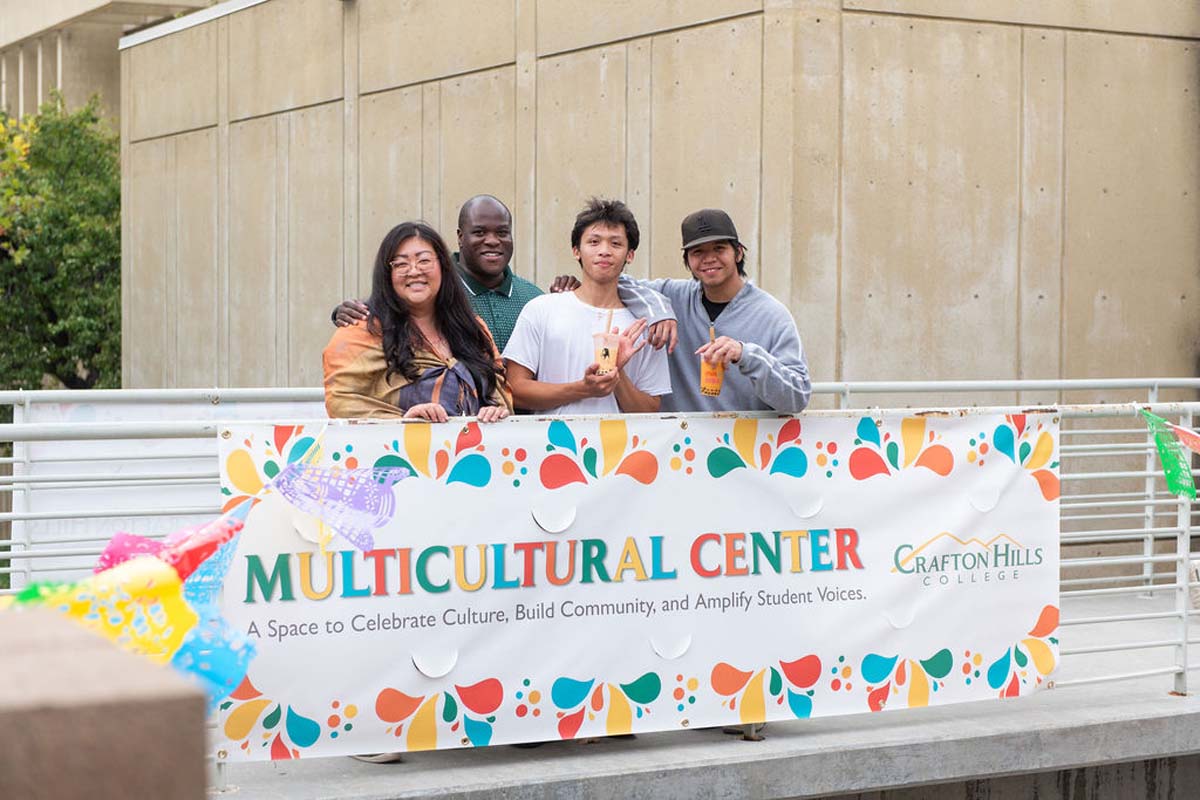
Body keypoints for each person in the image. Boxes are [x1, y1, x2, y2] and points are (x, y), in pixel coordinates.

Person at [331, 195, 676, 353]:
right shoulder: (434, 288)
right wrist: (348, 311)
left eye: (502, 232)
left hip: (520, 440)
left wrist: (659, 309)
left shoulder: (534, 298)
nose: (492, 241)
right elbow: (392, 303)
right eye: (479, 232)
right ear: (460, 237)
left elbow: (613, 285)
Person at [561, 208, 809, 413]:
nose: (709, 258)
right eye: (698, 252)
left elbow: (798, 396)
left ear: (738, 252)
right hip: (679, 452)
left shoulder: (772, 315)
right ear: (687, 260)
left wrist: (746, 355)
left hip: (748, 452)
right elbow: (615, 280)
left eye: (719, 249)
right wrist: (661, 311)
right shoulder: (672, 295)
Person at [322, 221, 511, 422]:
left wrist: (494, 411)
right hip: (393, 452)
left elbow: (499, 392)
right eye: (401, 264)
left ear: (443, 267)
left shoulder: (473, 329)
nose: (414, 271)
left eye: (424, 261)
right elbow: (341, 402)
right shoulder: (361, 331)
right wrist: (405, 420)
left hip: (472, 452)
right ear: (387, 275)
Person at [502, 198, 671, 414]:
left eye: (616, 243)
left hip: (620, 446)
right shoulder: (541, 309)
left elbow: (651, 411)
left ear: (630, 255)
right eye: (594, 242)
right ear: (576, 251)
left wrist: (615, 375)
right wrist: (583, 389)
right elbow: (514, 391)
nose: (604, 251)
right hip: (554, 445)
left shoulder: (643, 326)